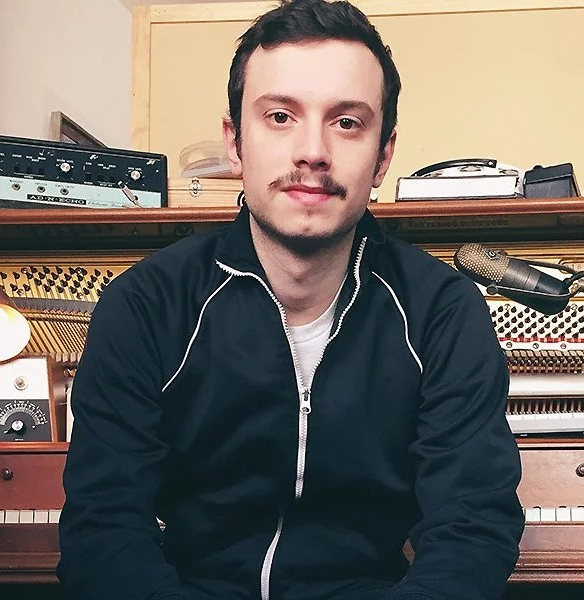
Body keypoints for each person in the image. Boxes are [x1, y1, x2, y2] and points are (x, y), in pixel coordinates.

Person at [57, 1, 524, 598]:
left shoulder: (442, 311)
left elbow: (472, 527)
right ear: (235, 143)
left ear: (383, 156)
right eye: (280, 116)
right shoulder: (145, 304)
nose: (313, 151)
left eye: (347, 123)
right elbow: (104, 529)